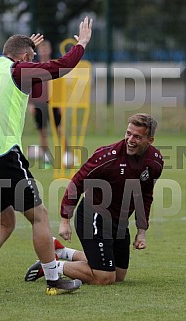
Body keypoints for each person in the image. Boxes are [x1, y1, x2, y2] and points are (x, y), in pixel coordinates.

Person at [0, 16, 93, 299]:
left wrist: (28, 52)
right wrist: (81, 42)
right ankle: (54, 279)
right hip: (5, 157)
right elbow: (61, 67)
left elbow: (38, 93)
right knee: (40, 217)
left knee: (4, 223)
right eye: (30, 59)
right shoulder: (18, 70)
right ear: (24, 58)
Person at [25, 113, 164, 285]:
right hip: (95, 215)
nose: (130, 140)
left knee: (118, 275)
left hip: (119, 222)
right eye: (128, 133)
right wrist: (65, 219)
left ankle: (63, 252)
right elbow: (78, 181)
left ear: (150, 140)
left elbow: (145, 195)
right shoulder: (107, 156)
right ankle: (51, 265)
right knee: (104, 277)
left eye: (137, 137)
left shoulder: (155, 162)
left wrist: (141, 232)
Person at [28, 40, 64, 166]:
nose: (43, 51)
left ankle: (66, 155)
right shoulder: (34, 67)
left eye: (46, 48)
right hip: (39, 103)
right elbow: (29, 87)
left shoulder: (54, 66)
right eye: (41, 49)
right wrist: (31, 104)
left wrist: (61, 103)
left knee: (59, 129)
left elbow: (60, 87)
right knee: (43, 131)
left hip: (53, 103)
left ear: (49, 50)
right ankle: (47, 157)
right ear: (38, 51)